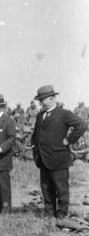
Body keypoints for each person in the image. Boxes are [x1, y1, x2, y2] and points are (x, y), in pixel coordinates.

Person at [31, 85, 88, 218]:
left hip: (58, 158)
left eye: (42, 99)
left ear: (51, 98)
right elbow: (36, 134)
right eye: (39, 99)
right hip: (43, 159)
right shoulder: (40, 115)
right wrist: (34, 146)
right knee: (46, 187)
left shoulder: (64, 113)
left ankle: (62, 214)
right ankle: (49, 213)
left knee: (61, 187)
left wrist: (68, 140)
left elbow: (82, 125)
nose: (40, 102)